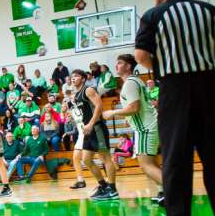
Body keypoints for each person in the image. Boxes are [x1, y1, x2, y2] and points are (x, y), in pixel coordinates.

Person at [135, 0, 215, 216]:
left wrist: (163, 62)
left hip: (174, 90)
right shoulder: (210, 11)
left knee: (176, 161)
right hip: (210, 88)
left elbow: (141, 56)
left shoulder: (153, 15)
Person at [105, 54, 166, 203]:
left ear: (128, 66)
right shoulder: (137, 81)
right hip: (150, 124)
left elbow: (134, 107)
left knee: (145, 165)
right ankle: (163, 192)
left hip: (145, 128)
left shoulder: (130, 83)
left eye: (120, 63)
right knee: (152, 162)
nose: (116, 66)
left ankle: (174, 192)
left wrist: (113, 112)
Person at [69, 69, 118, 200]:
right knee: (86, 159)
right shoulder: (77, 94)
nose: (73, 78)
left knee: (105, 158)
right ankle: (103, 185)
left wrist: (90, 124)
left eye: (76, 76)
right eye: (72, 77)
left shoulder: (88, 90)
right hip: (88, 131)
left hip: (96, 128)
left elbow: (99, 105)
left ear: (83, 79)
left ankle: (112, 189)